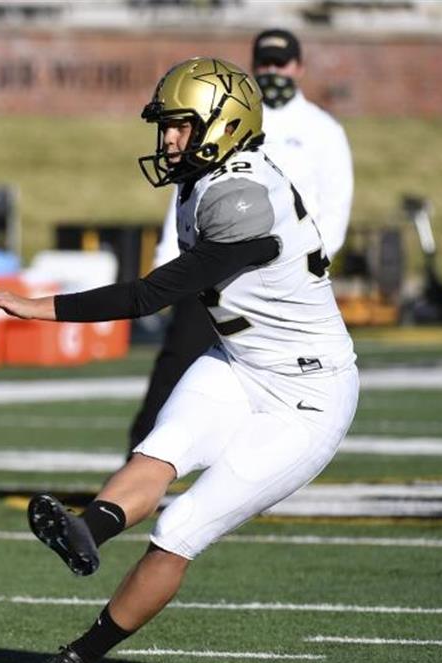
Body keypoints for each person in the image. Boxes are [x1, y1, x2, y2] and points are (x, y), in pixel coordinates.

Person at [0, 57, 359, 663]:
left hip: (306, 394)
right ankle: (86, 531)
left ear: (224, 125)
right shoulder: (208, 178)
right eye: (165, 125)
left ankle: (80, 659)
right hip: (240, 361)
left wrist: (38, 307)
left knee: (179, 528)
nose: (168, 139)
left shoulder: (242, 198)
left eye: (180, 125)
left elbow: (152, 296)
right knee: (159, 450)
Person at [127, 28, 354, 449]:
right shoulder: (220, 118)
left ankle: (258, 468)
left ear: (298, 67)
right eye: (264, 62)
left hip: (278, 277)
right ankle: (141, 464)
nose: (272, 71)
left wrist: (308, 265)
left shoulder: (323, 130)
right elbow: (191, 190)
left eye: (280, 62)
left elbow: (335, 207)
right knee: (176, 367)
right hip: (212, 265)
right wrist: (167, 259)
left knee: (274, 382)